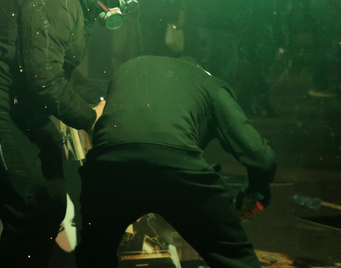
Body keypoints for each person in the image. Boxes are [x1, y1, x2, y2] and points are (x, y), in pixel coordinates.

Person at [0, 0, 124, 267]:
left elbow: (58, 71)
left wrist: (106, 99)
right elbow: (45, 83)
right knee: (31, 211)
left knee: (53, 200)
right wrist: (90, 120)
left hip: (20, 109)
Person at [77, 54, 277, 267]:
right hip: (178, 169)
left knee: (94, 256)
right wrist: (256, 189)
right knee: (234, 258)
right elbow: (260, 156)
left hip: (109, 167)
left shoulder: (130, 68)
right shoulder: (210, 84)